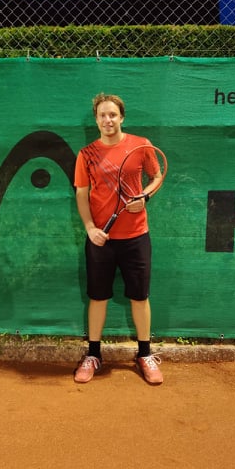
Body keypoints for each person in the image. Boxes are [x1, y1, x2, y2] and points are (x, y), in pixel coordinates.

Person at [73, 93, 164, 385]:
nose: (107, 120)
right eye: (102, 115)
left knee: (140, 296)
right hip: (101, 240)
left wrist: (145, 197)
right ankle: (93, 354)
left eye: (112, 114)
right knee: (97, 297)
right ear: (96, 119)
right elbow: (81, 194)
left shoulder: (141, 145)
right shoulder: (86, 154)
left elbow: (157, 176)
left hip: (137, 236)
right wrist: (90, 228)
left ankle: (145, 354)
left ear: (121, 117)